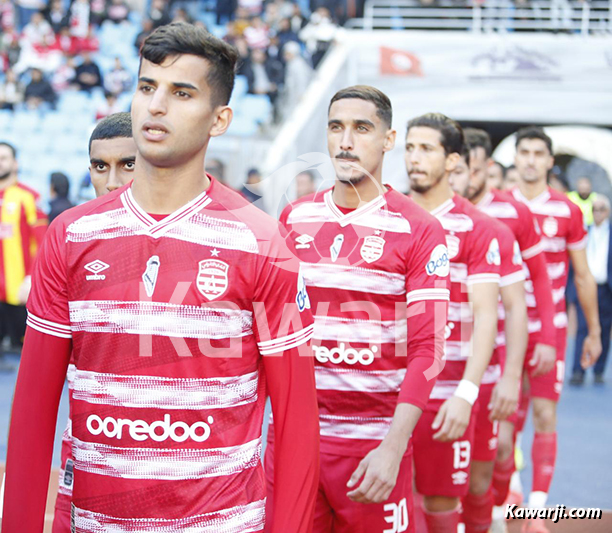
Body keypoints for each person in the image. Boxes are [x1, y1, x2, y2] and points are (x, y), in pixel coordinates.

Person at [3, 22, 319, 533]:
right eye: (147, 87)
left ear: (220, 120)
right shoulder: (72, 236)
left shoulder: (264, 243)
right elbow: (33, 411)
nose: (155, 105)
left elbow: (298, 421)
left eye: (181, 93)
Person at [269, 85, 450, 533]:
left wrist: (393, 447)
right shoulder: (292, 220)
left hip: (372, 447)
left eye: (361, 128)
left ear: (388, 140)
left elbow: (429, 350)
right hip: (294, 443)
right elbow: (268, 332)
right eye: (336, 127)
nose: (345, 141)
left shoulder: (420, 229)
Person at [452, 129, 557, 533]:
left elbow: (539, 282)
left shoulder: (510, 216)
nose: (468, 176)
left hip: (498, 352)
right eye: (463, 168)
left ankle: (503, 512)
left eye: (475, 169)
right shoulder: (429, 217)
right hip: (450, 356)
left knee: (496, 456)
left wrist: (545, 336)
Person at [405, 114, 500, 532]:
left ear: (451, 161)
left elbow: (485, 318)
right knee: (386, 500)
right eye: (409, 148)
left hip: (446, 391)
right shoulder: (387, 215)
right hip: (385, 391)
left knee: (442, 500)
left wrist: (466, 393)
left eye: (426, 149)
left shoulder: (477, 228)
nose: (414, 158)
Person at [511, 126, 601, 533]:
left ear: (549, 161)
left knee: (545, 415)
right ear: (516, 159)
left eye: (537, 153)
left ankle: (535, 510)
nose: (530, 160)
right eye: (524, 152)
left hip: (551, 331)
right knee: (504, 416)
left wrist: (594, 331)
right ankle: (508, 493)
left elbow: (582, 277)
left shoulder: (567, 211)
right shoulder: (497, 207)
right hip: (503, 330)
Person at [51, 112, 137, 533]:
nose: (113, 181)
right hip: (88, 447)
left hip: (173, 450)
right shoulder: (70, 237)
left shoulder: (200, 242)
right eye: (100, 167)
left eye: (128, 165)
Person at [0, 142, 47, 356]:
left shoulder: (28, 197)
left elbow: (42, 242)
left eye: (4, 158)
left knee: (22, 357)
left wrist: (30, 278)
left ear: (15, 163)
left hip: (16, 291)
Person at [571, 194, 612, 385]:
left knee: (604, 328)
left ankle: (598, 370)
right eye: (595, 209)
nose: (598, 213)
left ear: (608, 212)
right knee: (582, 327)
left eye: (602, 209)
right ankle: (578, 370)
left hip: (606, 289)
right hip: (585, 286)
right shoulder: (584, 231)